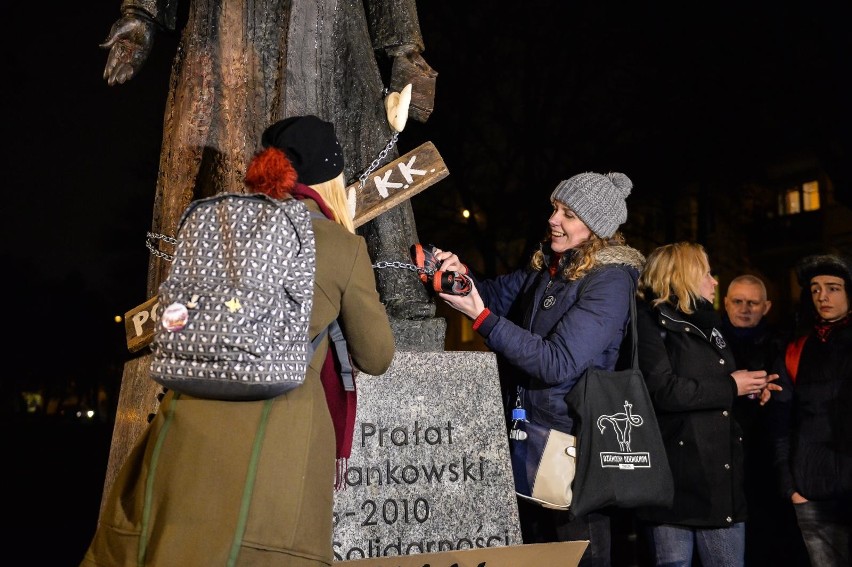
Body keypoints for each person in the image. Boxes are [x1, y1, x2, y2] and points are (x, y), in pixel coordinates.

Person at [80, 115, 395, 566]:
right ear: (329, 178)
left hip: (185, 433)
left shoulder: (218, 230)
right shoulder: (339, 245)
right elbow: (376, 354)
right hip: (278, 444)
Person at [100, 0, 439, 325]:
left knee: (359, 131)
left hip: (327, 20)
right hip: (235, 26)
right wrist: (142, 13)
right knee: (235, 149)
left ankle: (391, 279)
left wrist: (405, 47)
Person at [435, 171, 646, 566]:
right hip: (529, 436)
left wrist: (479, 318)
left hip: (571, 447)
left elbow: (557, 362)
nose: (553, 219)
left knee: (578, 553)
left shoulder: (609, 281)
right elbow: (493, 295)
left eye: (567, 214)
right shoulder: (550, 266)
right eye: (555, 208)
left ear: (595, 227)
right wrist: (455, 273)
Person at [634, 243, 780, 567]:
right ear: (682, 274)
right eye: (707, 272)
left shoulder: (710, 322)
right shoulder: (651, 321)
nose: (715, 282)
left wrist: (750, 391)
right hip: (675, 480)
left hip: (719, 479)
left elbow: (717, 390)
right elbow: (663, 390)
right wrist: (731, 386)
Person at [769, 253, 852, 567]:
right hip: (811, 491)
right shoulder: (795, 349)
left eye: (833, 287)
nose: (823, 296)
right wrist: (791, 487)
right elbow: (780, 423)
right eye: (816, 288)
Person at [721, 275, 808, 566]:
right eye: (738, 301)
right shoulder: (709, 340)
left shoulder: (782, 345)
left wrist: (776, 388)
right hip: (720, 455)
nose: (744, 308)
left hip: (765, 457)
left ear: (766, 306)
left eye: (753, 302)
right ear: (725, 302)